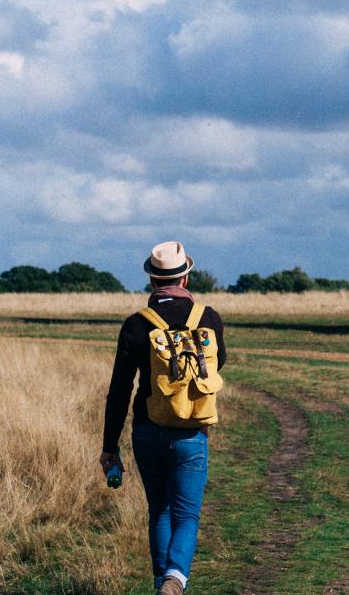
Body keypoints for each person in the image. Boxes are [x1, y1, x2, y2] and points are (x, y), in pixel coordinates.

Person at [101, 241, 228, 595]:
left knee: (159, 510)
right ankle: (175, 578)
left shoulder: (136, 325)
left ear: (152, 281)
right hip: (191, 431)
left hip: (146, 429)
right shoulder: (209, 319)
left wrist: (109, 446)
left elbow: (120, 390)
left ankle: (163, 583)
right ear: (186, 278)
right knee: (186, 514)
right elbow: (218, 366)